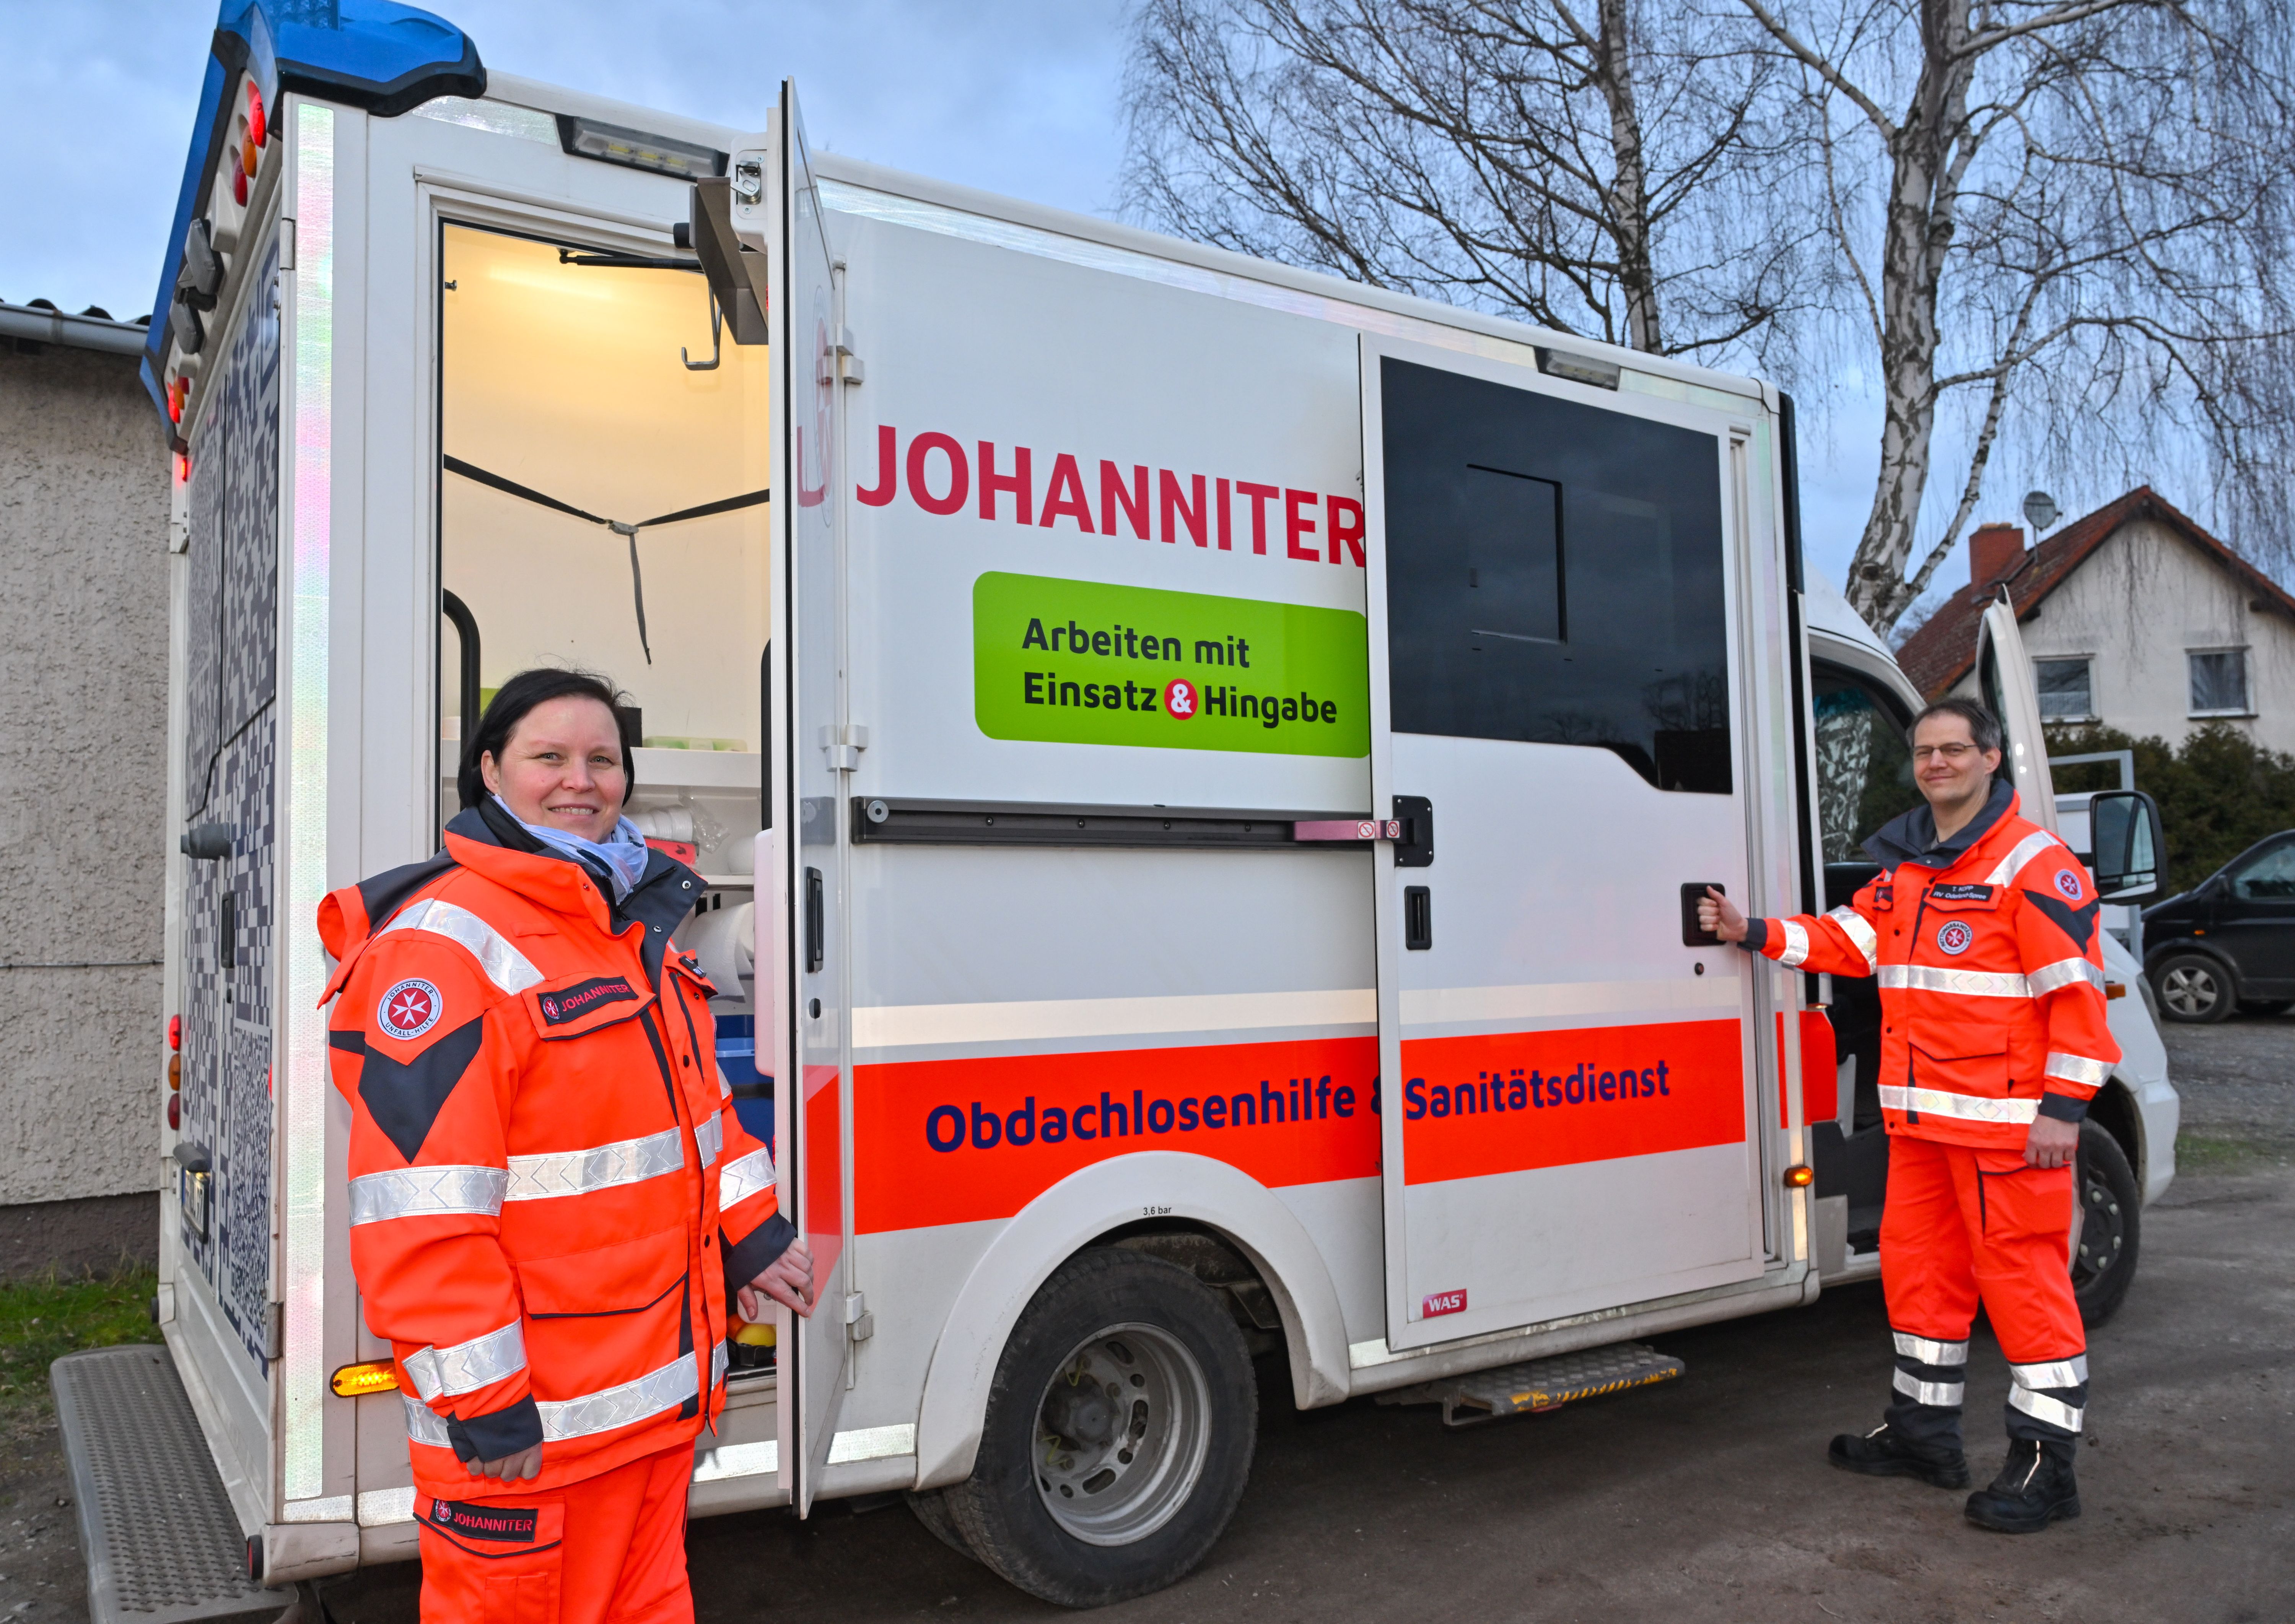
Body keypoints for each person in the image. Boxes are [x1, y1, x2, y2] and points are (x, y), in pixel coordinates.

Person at [318, 668, 813, 1623]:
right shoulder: (443, 949)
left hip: (650, 1416)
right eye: (549, 757)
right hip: (534, 1437)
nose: (579, 780)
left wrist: (751, 1229)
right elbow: (422, 1212)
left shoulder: (626, 926)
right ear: (491, 773)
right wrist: (484, 1400)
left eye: (601, 759)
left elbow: (698, 1114)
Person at [1699, 697, 2116, 1534]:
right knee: (1922, 1284)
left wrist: (2064, 1113)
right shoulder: (1912, 866)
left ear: (1991, 759)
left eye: (1954, 750)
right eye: (1925, 751)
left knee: (2027, 1292)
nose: (1936, 764)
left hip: (2007, 1131)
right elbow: (1849, 942)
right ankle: (1925, 1436)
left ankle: (2047, 1469)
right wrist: (1753, 933)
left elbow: (2078, 1000)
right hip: (1922, 1130)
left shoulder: (2034, 864)